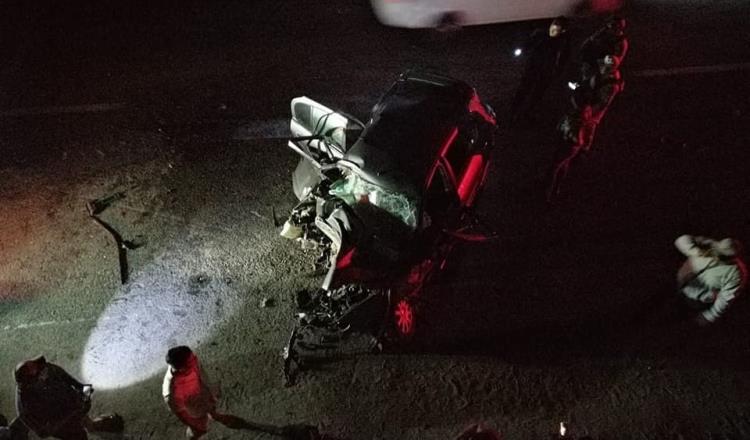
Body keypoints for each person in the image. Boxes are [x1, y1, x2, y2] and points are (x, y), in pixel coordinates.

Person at [546, 54, 624, 200]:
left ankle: (548, 191)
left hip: (575, 135)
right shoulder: (600, 78)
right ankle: (554, 188)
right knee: (562, 163)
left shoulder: (609, 88)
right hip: (574, 131)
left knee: (557, 164)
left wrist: (579, 105)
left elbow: (596, 108)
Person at [9, 356, 123, 440]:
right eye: (40, 372)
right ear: (31, 383)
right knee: (80, 436)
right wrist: (71, 415)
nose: (44, 368)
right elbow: (43, 433)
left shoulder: (49, 369)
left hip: (71, 404)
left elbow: (78, 385)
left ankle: (91, 425)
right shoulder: (25, 408)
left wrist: (86, 397)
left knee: (80, 411)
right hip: (59, 423)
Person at [163, 345, 259, 439]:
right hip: (192, 406)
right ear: (182, 368)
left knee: (211, 408)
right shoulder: (172, 392)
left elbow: (201, 372)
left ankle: (215, 416)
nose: (195, 359)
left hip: (201, 391)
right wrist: (193, 425)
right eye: (191, 360)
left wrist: (211, 388)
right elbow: (180, 413)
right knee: (198, 429)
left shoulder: (190, 361)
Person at [509, 16, 572, 124]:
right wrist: (522, 49)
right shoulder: (540, 34)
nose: (553, 29)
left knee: (537, 94)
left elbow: (563, 58)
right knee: (524, 89)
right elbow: (528, 43)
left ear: (563, 30)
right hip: (533, 67)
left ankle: (527, 113)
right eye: (553, 25)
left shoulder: (563, 42)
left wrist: (558, 71)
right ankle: (513, 112)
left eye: (557, 28)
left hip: (547, 71)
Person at [675, 235, 747, 326]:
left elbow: (725, 298)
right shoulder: (710, 244)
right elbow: (681, 240)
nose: (716, 254)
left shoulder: (737, 274)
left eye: (722, 255)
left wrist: (710, 315)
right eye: (718, 249)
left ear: (733, 257)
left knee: (680, 321)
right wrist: (695, 251)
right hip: (678, 284)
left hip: (695, 300)